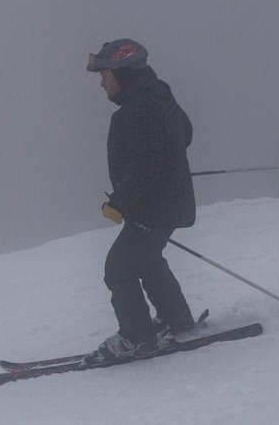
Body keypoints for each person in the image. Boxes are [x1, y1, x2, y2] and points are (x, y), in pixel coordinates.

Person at [84, 38, 197, 363]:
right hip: (166, 204)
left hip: (154, 207)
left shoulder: (140, 109)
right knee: (146, 260)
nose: (102, 83)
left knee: (118, 267)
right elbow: (185, 133)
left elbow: (147, 164)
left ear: (125, 73)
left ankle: (136, 336)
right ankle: (176, 319)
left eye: (105, 75)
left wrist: (120, 202)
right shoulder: (157, 96)